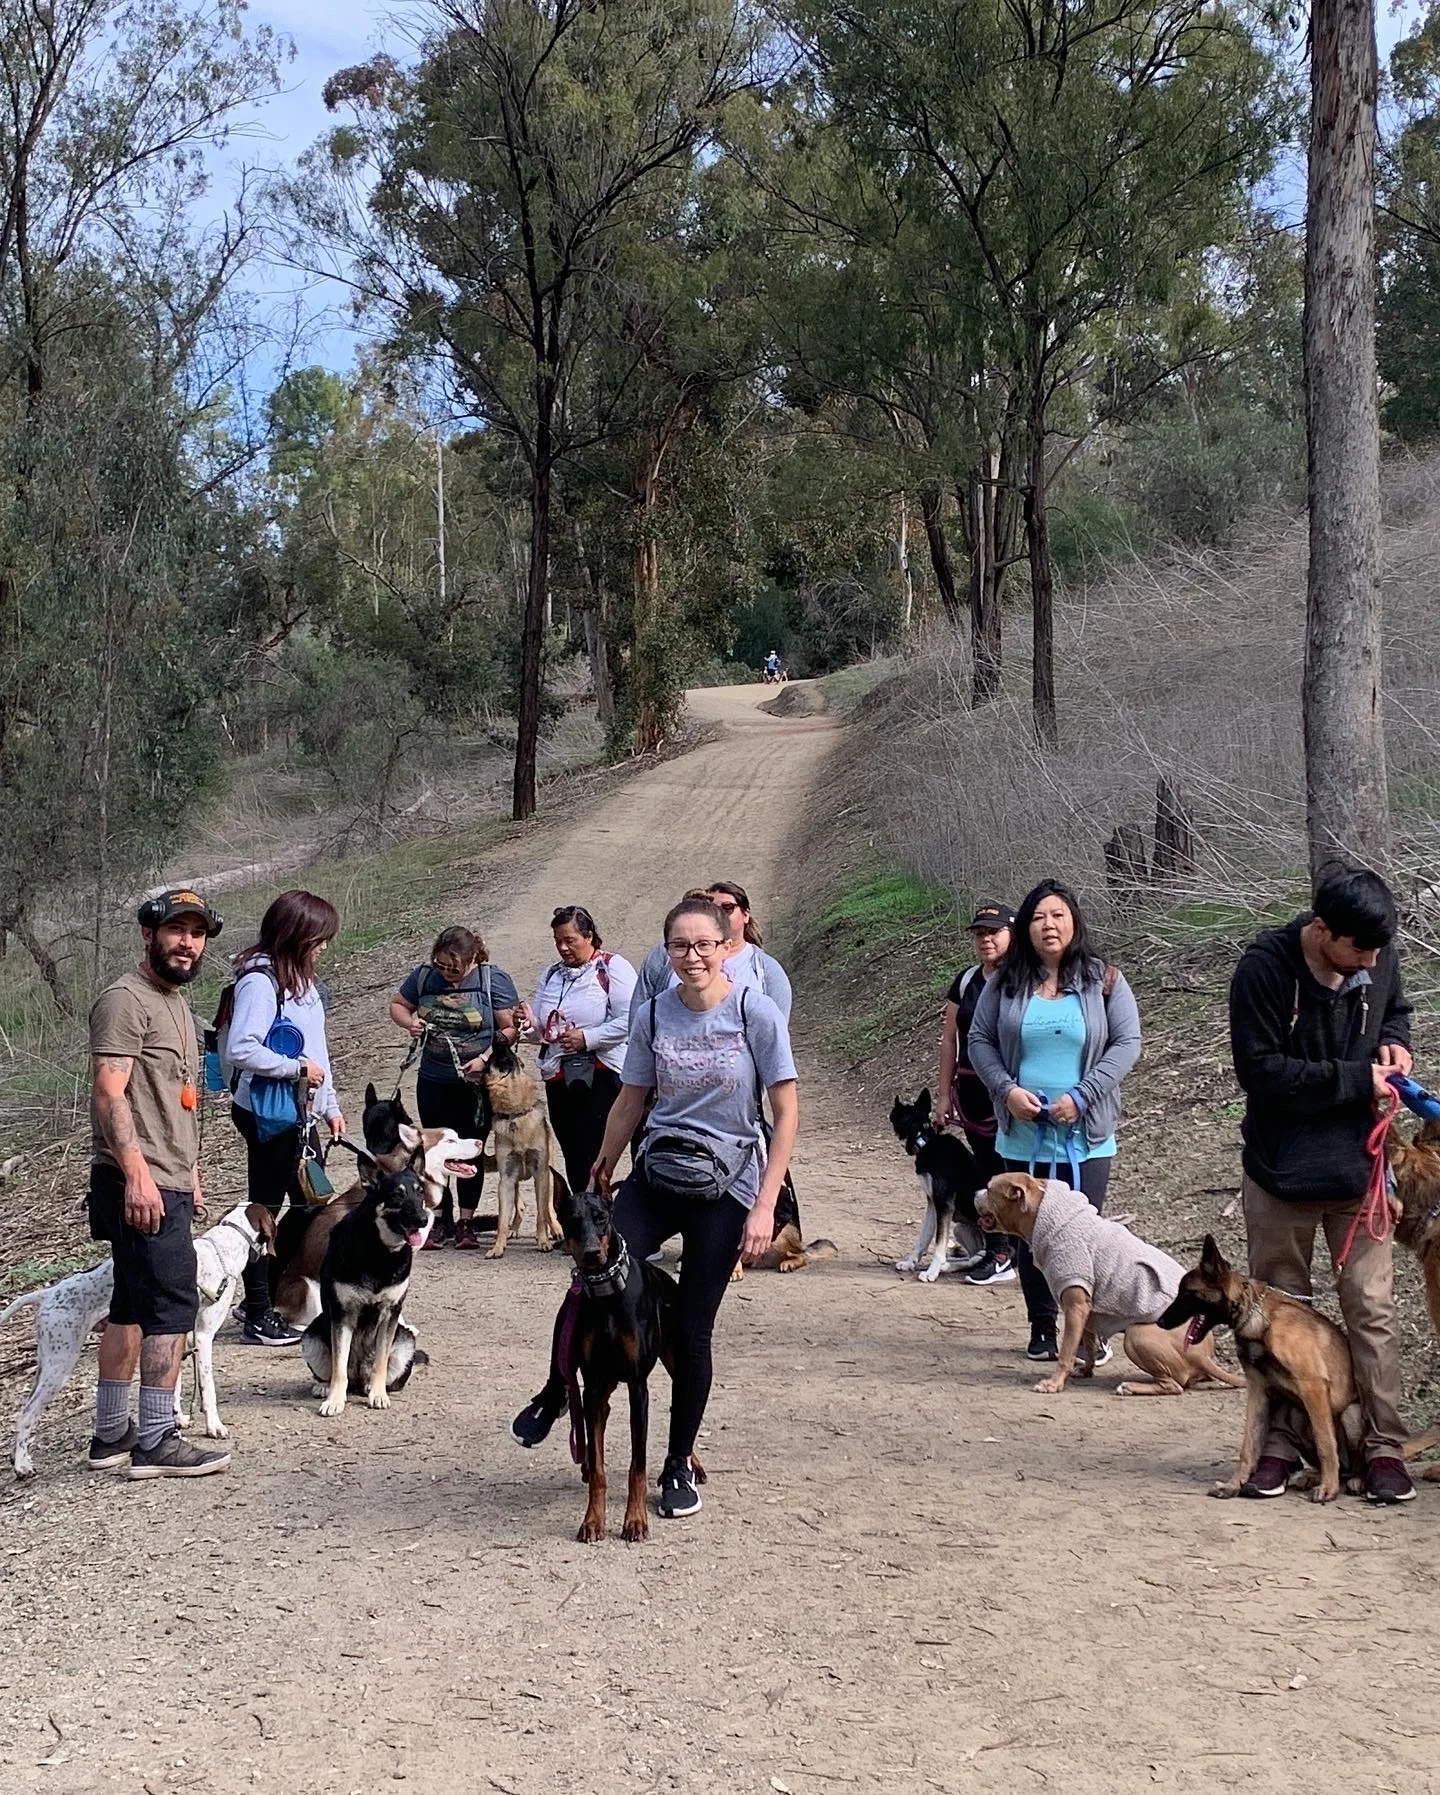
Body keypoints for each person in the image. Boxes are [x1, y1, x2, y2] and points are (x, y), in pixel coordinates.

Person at [512, 898, 800, 1520]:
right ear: (665, 952)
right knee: (586, 1278)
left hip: (728, 1186)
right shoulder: (652, 1014)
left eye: (704, 945)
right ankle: (557, 1392)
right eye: (679, 946)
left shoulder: (755, 1013)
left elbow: (785, 1114)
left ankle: (675, 1464)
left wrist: (766, 1202)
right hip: (660, 1171)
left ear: (727, 946)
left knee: (692, 1328)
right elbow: (631, 1099)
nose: (692, 957)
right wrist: (603, 1166)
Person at [1229, 864, 1415, 1505]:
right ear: (1320, 929)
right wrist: (1354, 1080)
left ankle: (1384, 1447)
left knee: (1373, 1311)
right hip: (1280, 1171)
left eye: (1376, 951)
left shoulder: (1376, 956)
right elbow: (1260, 1071)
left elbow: (1397, 1009)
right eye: (1356, 950)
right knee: (1278, 1315)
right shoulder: (1264, 971)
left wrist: (1394, 1046)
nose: (1368, 962)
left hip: (1358, 1175)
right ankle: (1281, 1450)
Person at [87, 888, 230, 1478]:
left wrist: (190, 1173)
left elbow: (176, 1100)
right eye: (177, 930)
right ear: (150, 933)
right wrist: (140, 1176)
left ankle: (110, 1433)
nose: (187, 943)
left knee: (130, 1300)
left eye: (197, 934)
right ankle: (156, 1438)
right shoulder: (126, 1000)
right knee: (173, 1303)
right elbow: (109, 1092)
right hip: (138, 1181)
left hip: (166, 1176)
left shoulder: (173, 1003)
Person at [968, 879, 1142, 1363]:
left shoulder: (1103, 979)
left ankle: (1090, 1333)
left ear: (1075, 922)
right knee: (1029, 1236)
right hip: (1023, 1133)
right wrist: (1006, 1090)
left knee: (1083, 1235)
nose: (1049, 925)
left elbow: (1127, 1043)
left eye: (1059, 915)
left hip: (1085, 1134)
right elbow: (979, 1040)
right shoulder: (1004, 983)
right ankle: (1043, 1327)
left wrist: (1083, 1096)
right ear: (1025, 927)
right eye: (1040, 917)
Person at [227, 890, 344, 1344]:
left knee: (310, 1202)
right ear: (296, 935)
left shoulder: (304, 982)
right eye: (319, 937)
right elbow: (242, 1046)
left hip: (301, 1113)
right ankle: (257, 1309)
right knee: (267, 1208)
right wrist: (295, 1069)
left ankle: (268, 1295)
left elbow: (318, 1050)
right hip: (268, 1114)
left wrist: (329, 1105)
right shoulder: (260, 981)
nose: (324, 946)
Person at [389, 925, 519, 1248]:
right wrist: (410, 1023)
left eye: (454, 968)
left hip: (476, 1086)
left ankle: (466, 1222)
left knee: (470, 1149)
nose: (447, 973)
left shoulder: (493, 981)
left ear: (472, 958)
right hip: (434, 1080)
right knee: (433, 1153)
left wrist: (486, 1060)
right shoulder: (423, 977)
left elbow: (510, 1029)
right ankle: (438, 1220)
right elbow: (398, 1005)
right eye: (441, 965)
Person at [516, 906, 638, 1193]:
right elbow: (544, 1031)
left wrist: (588, 1038)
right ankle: (582, 1217)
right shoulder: (551, 974)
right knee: (571, 1150)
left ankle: (598, 1218)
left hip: (602, 1072)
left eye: (570, 940)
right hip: (558, 1075)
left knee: (593, 1150)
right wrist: (527, 1024)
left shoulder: (613, 967)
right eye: (558, 940)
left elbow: (633, 1020)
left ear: (589, 936)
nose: (563, 947)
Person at [938, 901, 1017, 1286]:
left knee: (1008, 1170)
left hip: (1008, 1092)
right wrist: (943, 1093)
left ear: (1011, 934)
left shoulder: (1022, 981)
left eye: (994, 932)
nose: (986, 939)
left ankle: (1009, 1250)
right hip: (970, 1090)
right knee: (986, 1171)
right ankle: (997, 1246)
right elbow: (950, 1038)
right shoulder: (967, 981)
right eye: (980, 933)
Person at [632, 880, 794, 1021]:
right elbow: (640, 1015)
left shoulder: (767, 970)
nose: (719, 914)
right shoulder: (664, 955)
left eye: (727, 908)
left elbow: (775, 1033)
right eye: (712, 908)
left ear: (746, 915)